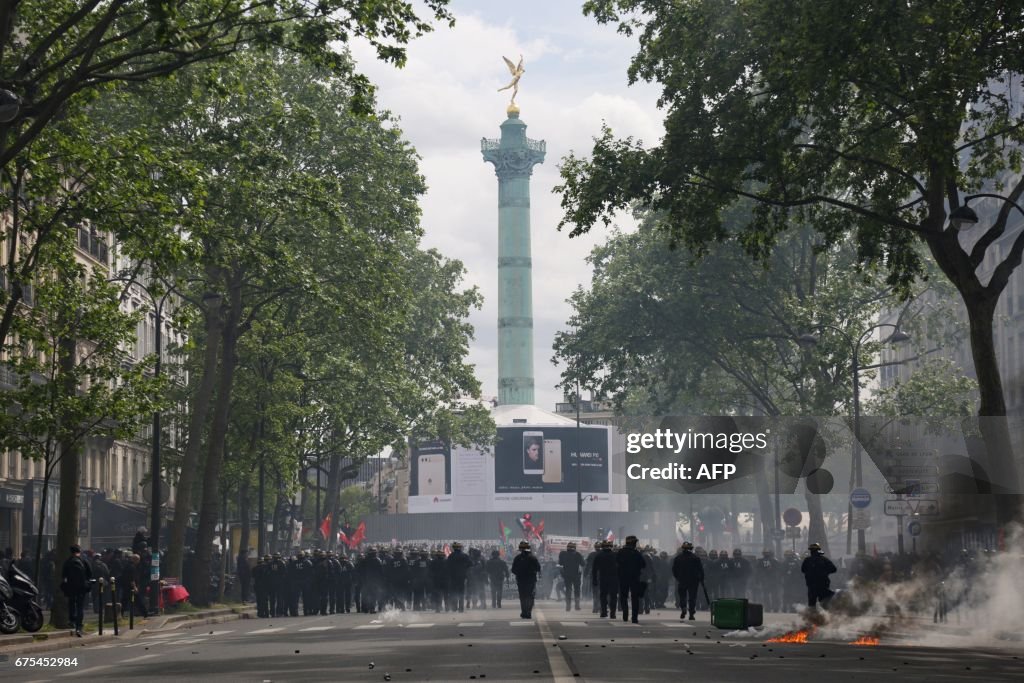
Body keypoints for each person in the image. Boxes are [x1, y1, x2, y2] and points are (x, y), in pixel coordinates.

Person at [61, 545, 93, 636]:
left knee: (71, 603)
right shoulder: (83, 561)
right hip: (82, 587)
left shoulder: (68, 562)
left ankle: (72, 620)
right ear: (79, 551)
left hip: (71, 587)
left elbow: (63, 575)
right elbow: (90, 574)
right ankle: (79, 625)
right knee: (80, 606)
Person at [616, 535, 646, 624]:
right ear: (633, 543)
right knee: (635, 598)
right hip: (634, 578)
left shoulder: (620, 552)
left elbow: (616, 563)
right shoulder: (636, 553)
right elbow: (643, 565)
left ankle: (625, 613)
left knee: (623, 596)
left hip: (623, 578)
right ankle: (634, 617)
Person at [671, 542, 704, 620]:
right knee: (692, 597)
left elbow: (674, 570)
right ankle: (691, 613)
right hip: (693, 581)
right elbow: (700, 570)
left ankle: (683, 607)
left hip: (682, 580)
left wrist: (678, 578)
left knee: (682, 596)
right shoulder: (695, 558)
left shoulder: (678, 558)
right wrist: (701, 579)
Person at [511, 541, 541, 619]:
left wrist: (519, 573)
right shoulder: (532, 558)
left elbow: (513, 570)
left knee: (523, 596)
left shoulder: (517, 558)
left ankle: (524, 612)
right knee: (530, 596)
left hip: (521, 580)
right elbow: (538, 568)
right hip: (530, 580)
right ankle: (528, 612)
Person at [801, 543, 837, 609]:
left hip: (812, 584)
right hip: (822, 583)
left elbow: (803, 570)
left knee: (812, 602)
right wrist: (825, 573)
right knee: (824, 601)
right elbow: (834, 569)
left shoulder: (807, 560)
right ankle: (826, 615)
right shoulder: (824, 559)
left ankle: (813, 616)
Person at [592, 541, 619, 618]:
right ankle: (613, 613)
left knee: (603, 595)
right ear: (611, 546)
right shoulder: (616, 555)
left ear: (602, 547)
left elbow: (594, 569)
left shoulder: (599, 555)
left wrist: (594, 580)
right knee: (613, 596)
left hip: (603, 578)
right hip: (614, 579)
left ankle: (603, 612)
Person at [558, 542, 585, 611]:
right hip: (576, 575)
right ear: (575, 548)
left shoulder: (563, 554)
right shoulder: (578, 554)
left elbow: (560, 563)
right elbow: (583, 564)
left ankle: (568, 606)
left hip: (567, 575)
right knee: (577, 590)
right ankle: (577, 605)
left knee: (568, 590)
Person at [445, 543, 473, 612]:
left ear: (454, 548)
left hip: (453, 576)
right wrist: (464, 568)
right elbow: (470, 564)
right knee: (461, 592)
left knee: (454, 592)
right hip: (462, 576)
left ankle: (454, 607)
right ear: (460, 548)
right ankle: (461, 608)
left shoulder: (451, 556)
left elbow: (447, 566)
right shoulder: (464, 555)